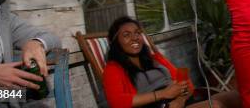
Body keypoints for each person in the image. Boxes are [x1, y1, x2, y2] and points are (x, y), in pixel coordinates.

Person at [102, 16, 240, 108]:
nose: (134, 38)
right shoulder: (114, 68)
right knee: (215, 106)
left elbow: (186, 82)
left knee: (237, 95)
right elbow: (117, 102)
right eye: (126, 35)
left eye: (137, 33)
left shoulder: (155, 58)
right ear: (115, 42)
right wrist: (164, 94)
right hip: (159, 105)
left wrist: (180, 100)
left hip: (180, 101)